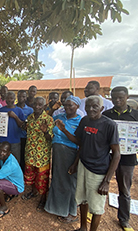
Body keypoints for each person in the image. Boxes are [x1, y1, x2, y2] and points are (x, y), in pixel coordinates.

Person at [56, 95, 120, 231]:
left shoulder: (109, 125)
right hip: (83, 166)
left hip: (98, 170)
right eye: (88, 106)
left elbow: (116, 154)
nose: (91, 109)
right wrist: (64, 130)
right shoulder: (85, 121)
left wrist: (107, 181)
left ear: (102, 108)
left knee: (96, 207)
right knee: (82, 199)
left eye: (95, 106)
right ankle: (83, 227)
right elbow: (80, 142)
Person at [103, 86, 138, 231]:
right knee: (100, 184)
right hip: (106, 156)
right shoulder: (106, 114)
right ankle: (95, 211)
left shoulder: (137, 115)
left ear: (127, 97)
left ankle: (124, 219)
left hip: (127, 159)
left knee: (125, 189)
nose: (117, 100)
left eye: (120, 97)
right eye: (114, 97)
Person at [44, 95, 82, 223]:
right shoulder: (59, 117)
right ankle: (57, 208)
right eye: (65, 105)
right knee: (58, 179)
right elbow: (47, 119)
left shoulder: (80, 121)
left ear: (77, 106)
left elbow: (78, 141)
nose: (67, 107)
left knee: (70, 183)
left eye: (70, 105)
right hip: (57, 153)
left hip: (70, 154)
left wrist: (64, 130)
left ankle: (72, 212)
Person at [22, 97, 53, 212]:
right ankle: (33, 192)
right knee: (31, 173)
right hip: (30, 152)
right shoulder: (29, 118)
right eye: (35, 104)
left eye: (40, 105)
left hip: (42, 155)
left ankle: (43, 198)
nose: (37, 106)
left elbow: (50, 139)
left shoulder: (48, 119)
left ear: (44, 106)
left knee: (42, 177)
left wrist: (45, 132)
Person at [0, 91, 26, 162]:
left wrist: (15, 117)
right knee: (2, 161)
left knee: (15, 161)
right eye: (8, 98)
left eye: (11, 98)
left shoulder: (19, 110)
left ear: (14, 99)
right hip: (3, 140)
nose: (9, 100)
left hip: (15, 140)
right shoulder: (1, 110)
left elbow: (22, 126)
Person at [16, 90, 33, 171]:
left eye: (23, 96)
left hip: (25, 137)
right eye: (19, 96)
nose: (21, 98)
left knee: (24, 157)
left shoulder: (30, 110)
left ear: (26, 98)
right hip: (15, 137)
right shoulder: (13, 108)